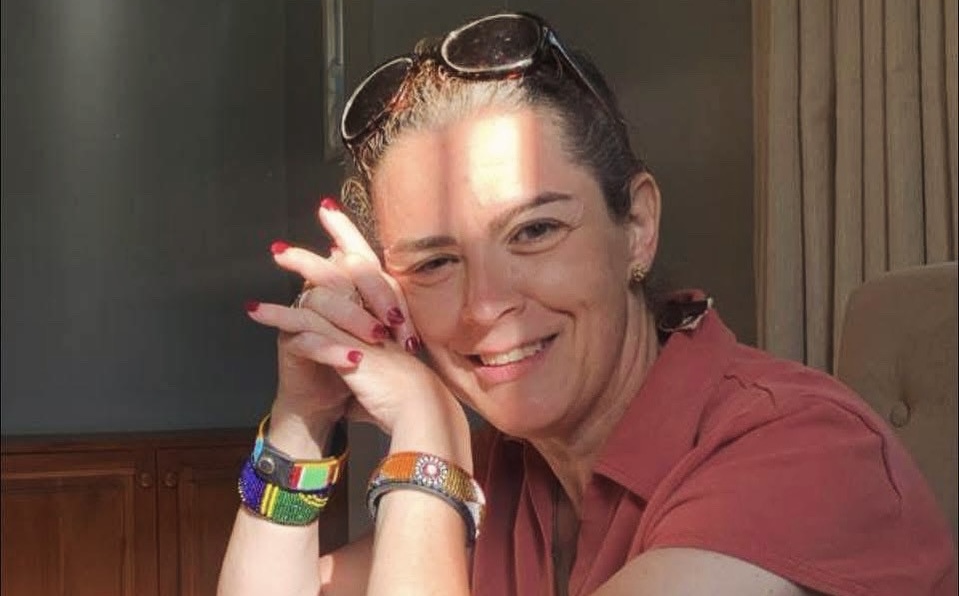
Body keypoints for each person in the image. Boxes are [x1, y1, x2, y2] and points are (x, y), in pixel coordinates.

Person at [219, 11, 955, 596]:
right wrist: (300, 424)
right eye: (436, 261)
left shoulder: (804, 451)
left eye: (534, 230)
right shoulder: (506, 475)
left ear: (635, 227)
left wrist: (425, 446)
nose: (483, 306)